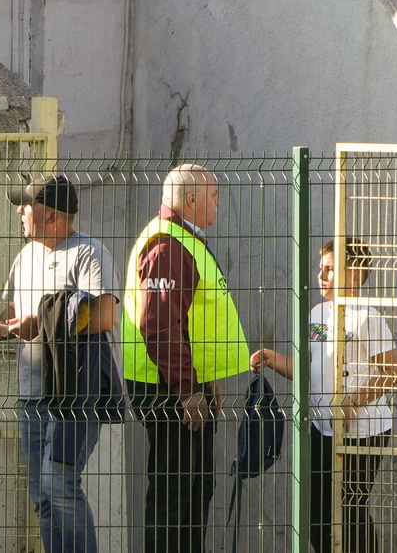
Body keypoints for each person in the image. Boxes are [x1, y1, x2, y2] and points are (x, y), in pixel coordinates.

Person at [0, 173, 117, 553]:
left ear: (52, 216)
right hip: (32, 394)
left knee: (59, 482)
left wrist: (39, 323)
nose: (21, 211)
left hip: (73, 394)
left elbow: (105, 316)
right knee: (42, 495)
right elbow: (16, 314)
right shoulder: (25, 256)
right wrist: (1, 328)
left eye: (27, 205)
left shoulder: (89, 253)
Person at [119, 164, 247, 553]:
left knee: (196, 487)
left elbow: (190, 323)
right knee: (174, 494)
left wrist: (206, 379)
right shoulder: (167, 248)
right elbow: (158, 326)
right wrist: (188, 389)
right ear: (191, 200)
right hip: (168, 390)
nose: (218, 203)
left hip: (182, 384)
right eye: (213, 196)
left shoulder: (183, 241)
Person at [250, 239, 397, 553]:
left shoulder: (365, 317)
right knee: (316, 512)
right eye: (321, 268)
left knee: (349, 510)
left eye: (330, 269)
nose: (321, 275)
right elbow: (307, 369)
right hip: (322, 428)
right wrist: (270, 358)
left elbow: (392, 372)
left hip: (362, 432)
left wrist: (353, 400)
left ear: (355, 276)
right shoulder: (317, 313)